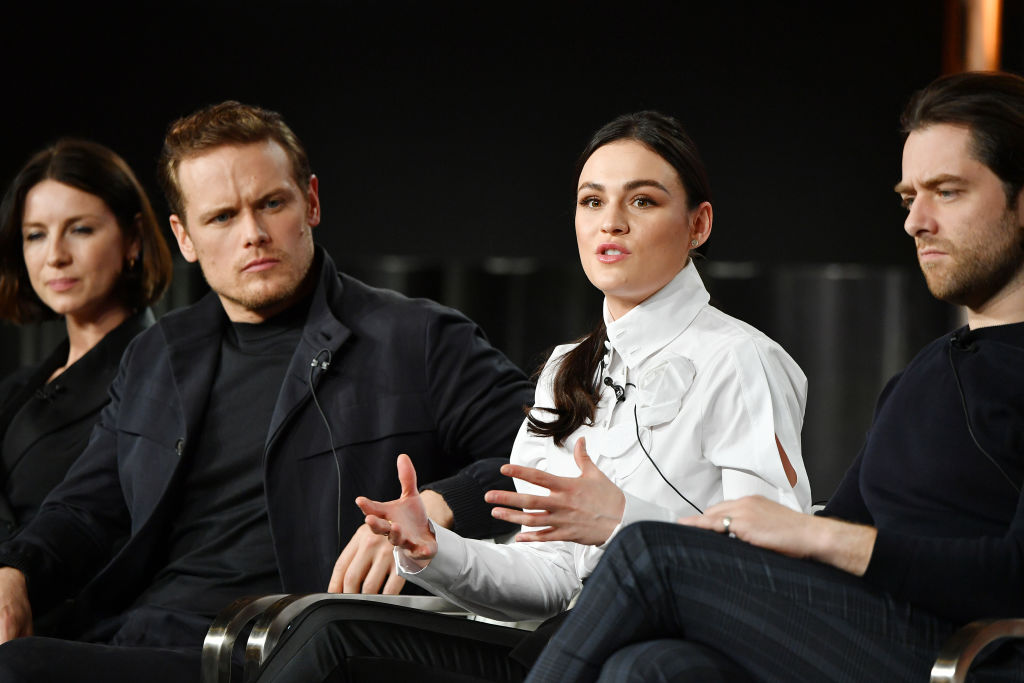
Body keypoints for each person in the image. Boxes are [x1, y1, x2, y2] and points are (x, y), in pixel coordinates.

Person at [253, 111, 811, 682]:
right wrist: (433, 549)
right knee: (330, 634)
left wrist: (623, 519)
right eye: (592, 202)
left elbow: (774, 568)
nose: (611, 223)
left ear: (699, 225)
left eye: (642, 201)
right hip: (561, 641)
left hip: (663, 652)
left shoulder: (743, 360)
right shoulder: (569, 369)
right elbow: (549, 576)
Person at [0, 102, 534, 682]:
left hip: (280, 647)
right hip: (136, 635)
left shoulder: (417, 337)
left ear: (311, 201)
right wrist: (16, 571)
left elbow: (542, 452)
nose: (252, 235)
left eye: (271, 204)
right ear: (184, 237)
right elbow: (85, 508)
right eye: (222, 217)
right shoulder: (158, 354)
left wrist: (437, 507)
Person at [526, 70, 1024, 683]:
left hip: (972, 656)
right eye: (907, 198)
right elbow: (838, 534)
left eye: (946, 192)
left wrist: (813, 536)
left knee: (647, 553)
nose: (914, 222)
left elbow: (1013, 572)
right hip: (866, 634)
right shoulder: (924, 375)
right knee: (654, 666)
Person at [0, 139, 172, 541]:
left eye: (79, 229)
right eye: (35, 235)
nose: (55, 255)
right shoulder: (15, 391)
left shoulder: (163, 377)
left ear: (133, 240)